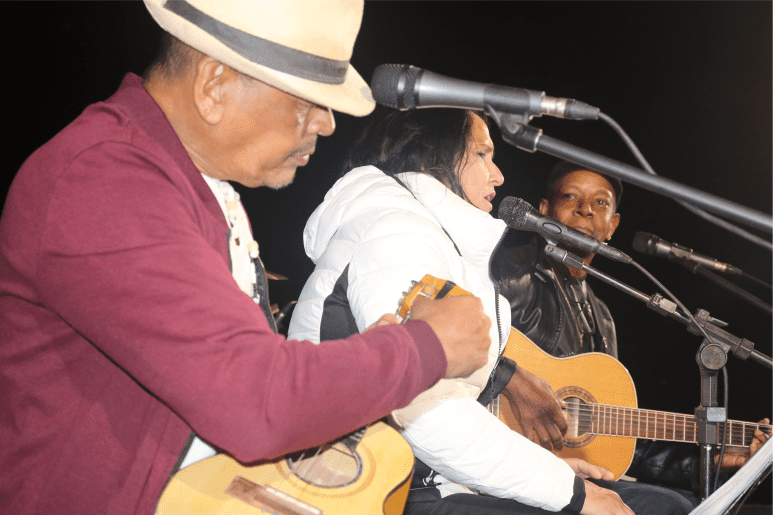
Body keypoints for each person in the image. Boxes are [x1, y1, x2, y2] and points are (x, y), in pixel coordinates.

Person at [0, 2, 495, 513]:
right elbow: (253, 401)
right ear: (214, 87)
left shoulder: (199, 186)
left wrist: (364, 361)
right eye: (308, 101)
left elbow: (233, 378)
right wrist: (424, 347)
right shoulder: (104, 177)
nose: (327, 123)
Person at [288, 107, 695, 515]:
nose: (498, 175)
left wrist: (549, 471)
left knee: (660, 505)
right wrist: (571, 492)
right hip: (374, 488)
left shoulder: (423, 236)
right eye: (482, 154)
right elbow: (427, 412)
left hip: (427, 478)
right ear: (433, 154)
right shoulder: (396, 231)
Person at [492, 160, 770, 504]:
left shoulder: (602, 319)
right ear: (544, 210)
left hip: (563, 471)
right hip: (498, 458)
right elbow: (454, 346)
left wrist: (712, 463)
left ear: (613, 226)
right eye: (570, 197)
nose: (586, 210)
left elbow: (615, 441)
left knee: (681, 505)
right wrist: (510, 382)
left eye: (601, 203)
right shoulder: (502, 270)